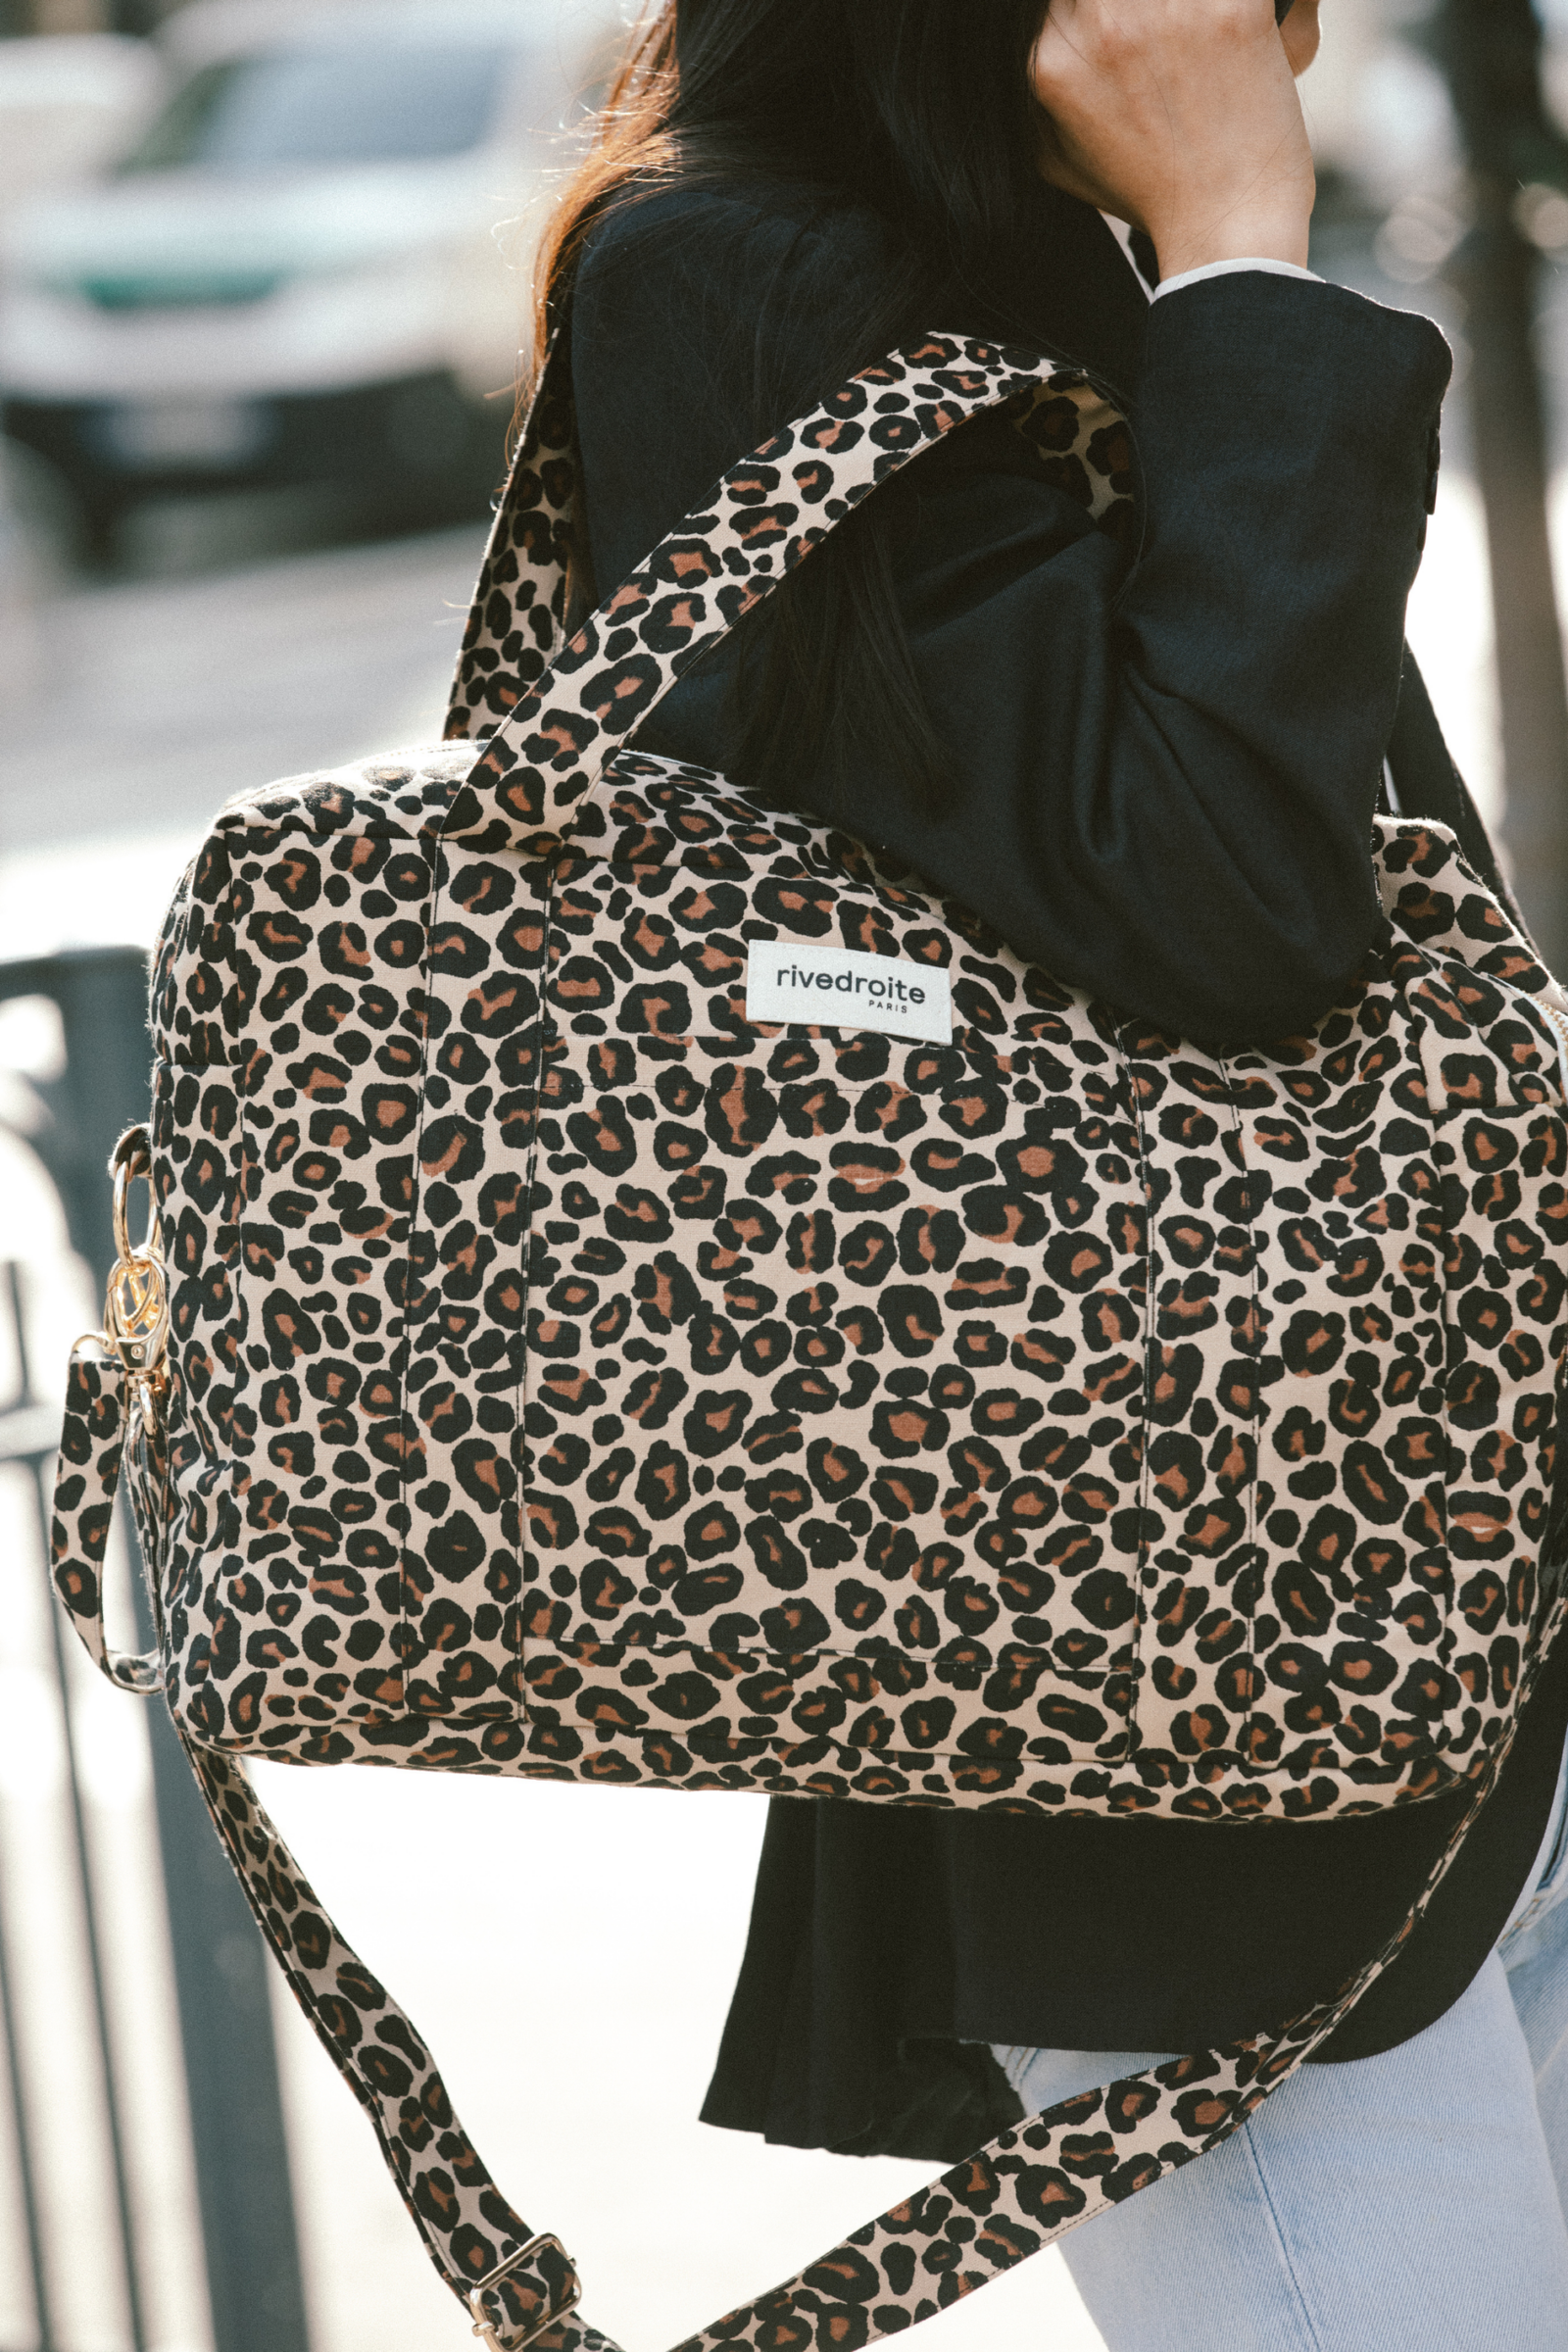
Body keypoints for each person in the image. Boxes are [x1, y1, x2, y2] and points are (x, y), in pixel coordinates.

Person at [534, 1, 1568, 2342]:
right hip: (1178, 1734)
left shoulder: (1017, 250)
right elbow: (1211, 896)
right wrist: (1237, 247)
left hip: (1444, 1637)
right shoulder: (738, 273)